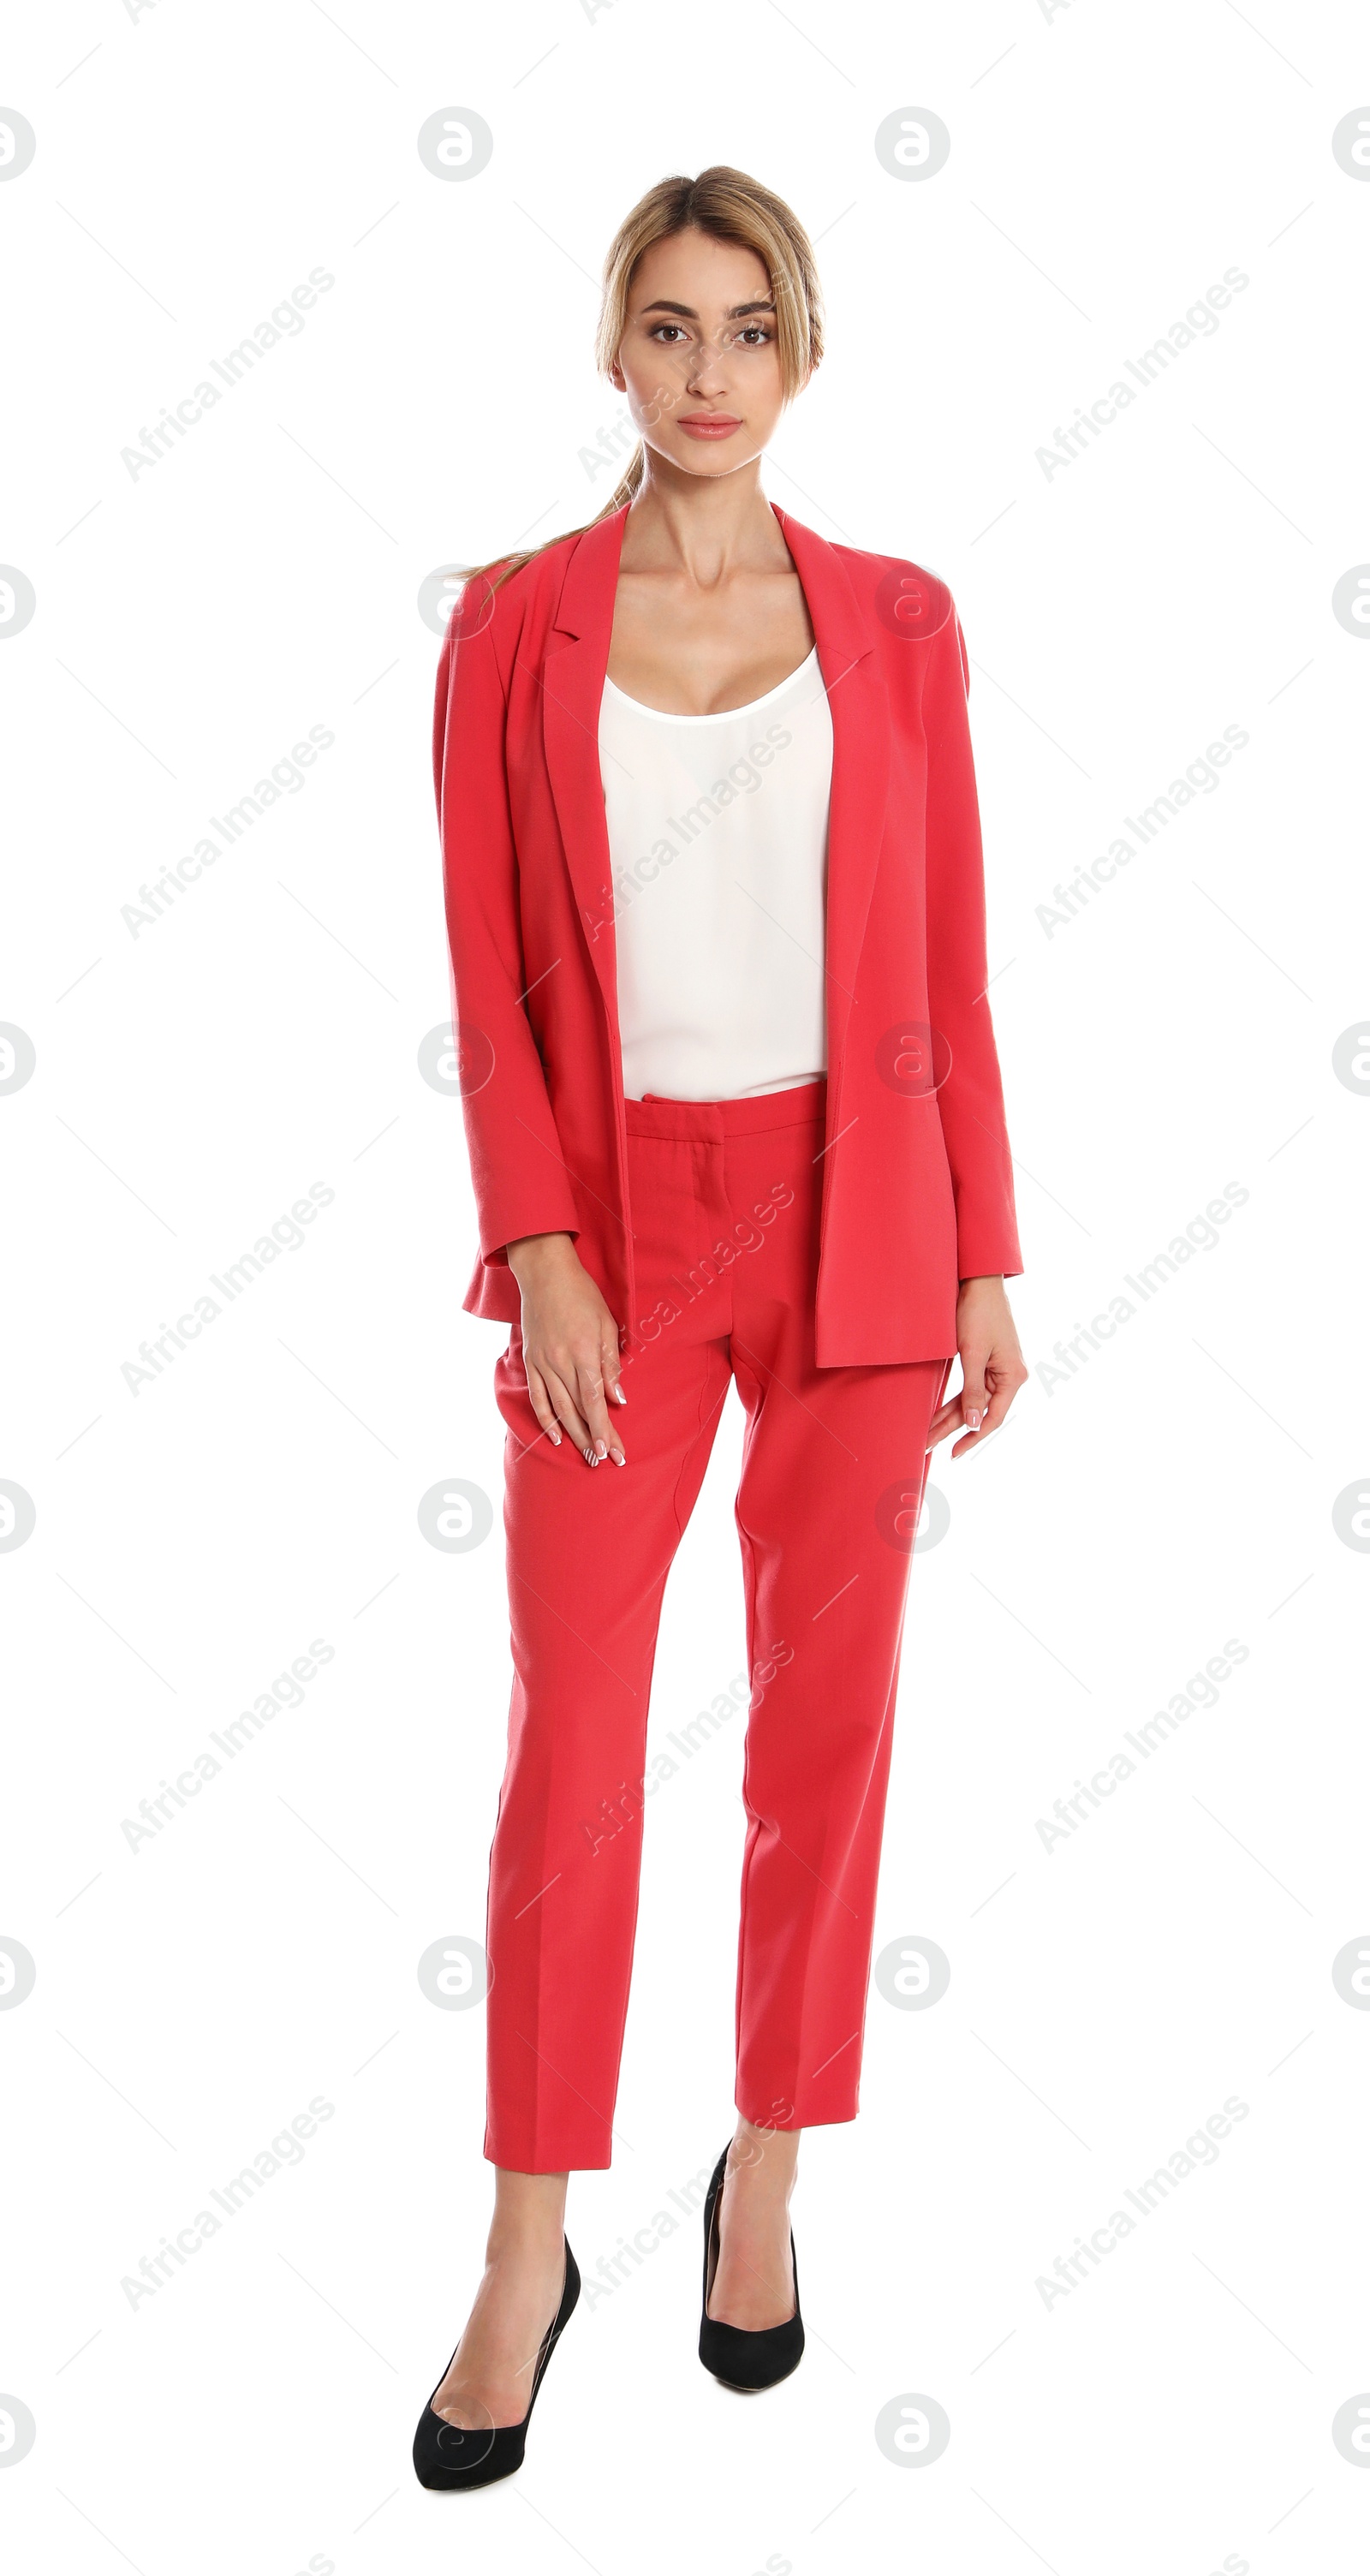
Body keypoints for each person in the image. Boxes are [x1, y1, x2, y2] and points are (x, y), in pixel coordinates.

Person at [414, 165, 1027, 2492]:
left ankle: (762, 2184)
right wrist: (542, 1239)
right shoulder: (508, 632)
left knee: (827, 1732)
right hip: (617, 1239)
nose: (702, 372)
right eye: (665, 327)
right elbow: (488, 980)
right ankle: (524, 2239)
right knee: (575, 1744)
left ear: (801, 360)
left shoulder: (898, 623)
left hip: (860, 1210)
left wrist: (982, 1245)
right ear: (612, 352)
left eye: (744, 330)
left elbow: (950, 947)